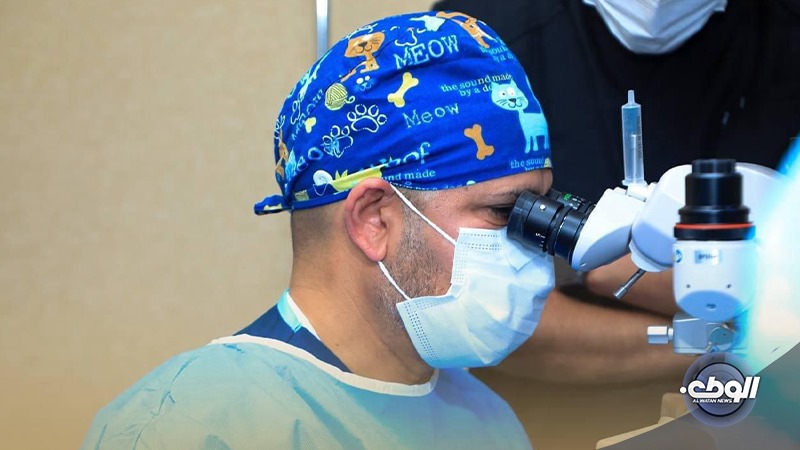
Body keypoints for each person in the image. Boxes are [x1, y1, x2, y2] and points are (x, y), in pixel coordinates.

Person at [81, 12, 559, 449]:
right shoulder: (190, 425)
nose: (533, 242)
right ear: (374, 219)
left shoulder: (487, 420)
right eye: (504, 211)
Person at [431, 0, 800, 383]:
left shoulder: (784, 43)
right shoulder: (471, 37)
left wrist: (594, 267)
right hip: (531, 411)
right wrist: (732, 337)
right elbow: (484, 309)